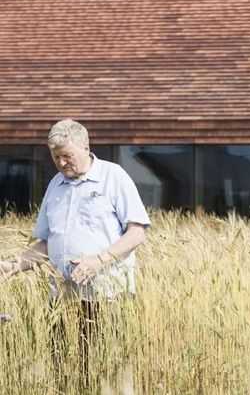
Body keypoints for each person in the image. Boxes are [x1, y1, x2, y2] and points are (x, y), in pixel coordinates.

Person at [0, 119, 151, 383]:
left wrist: (98, 261)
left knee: (103, 372)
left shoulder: (113, 177)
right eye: (56, 157)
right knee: (63, 372)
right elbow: (46, 243)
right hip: (62, 297)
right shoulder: (55, 185)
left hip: (107, 295)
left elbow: (137, 232)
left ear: (85, 147)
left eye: (67, 156)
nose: (61, 163)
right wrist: (15, 265)